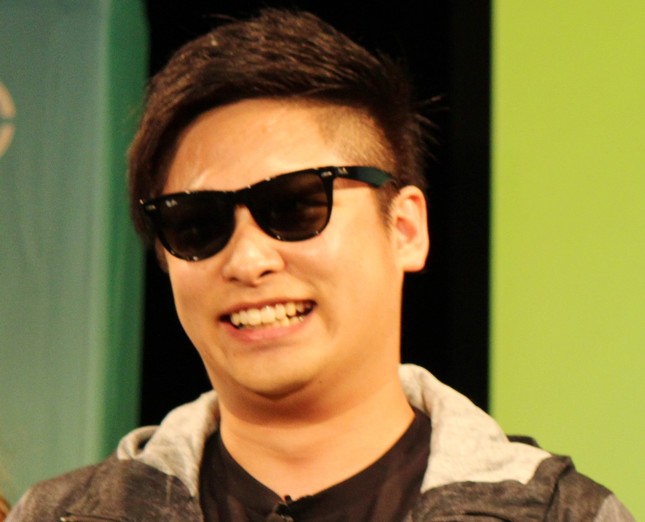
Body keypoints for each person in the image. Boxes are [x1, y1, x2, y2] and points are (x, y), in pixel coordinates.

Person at [8, 9, 634, 521]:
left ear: (406, 229)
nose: (248, 259)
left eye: (296, 205)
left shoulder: (566, 515)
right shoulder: (58, 514)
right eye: (197, 223)